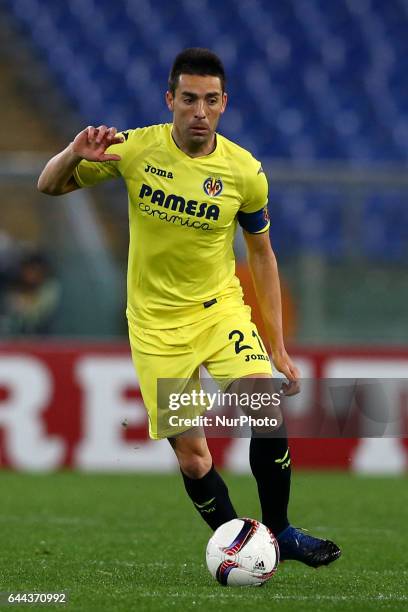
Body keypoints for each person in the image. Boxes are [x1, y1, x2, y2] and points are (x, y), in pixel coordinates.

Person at [38, 48, 340, 567]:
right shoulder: (135, 150)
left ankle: (280, 530)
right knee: (194, 456)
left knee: (264, 406)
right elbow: (49, 185)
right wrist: (73, 152)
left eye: (210, 100)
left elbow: (263, 257)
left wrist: (278, 346)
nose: (199, 110)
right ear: (170, 100)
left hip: (218, 311)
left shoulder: (245, 172)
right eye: (189, 99)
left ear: (225, 104)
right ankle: (238, 548)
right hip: (155, 327)